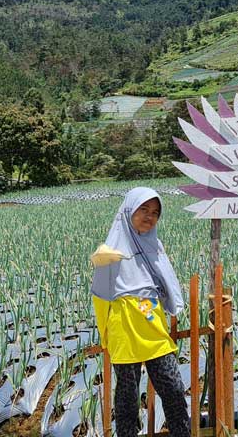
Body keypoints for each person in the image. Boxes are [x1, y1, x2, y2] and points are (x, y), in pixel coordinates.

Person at [92, 187, 191, 437]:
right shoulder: (108, 253)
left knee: (173, 389)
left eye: (155, 212)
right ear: (128, 211)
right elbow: (100, 297)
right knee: (127, 397)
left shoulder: (155, 247)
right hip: (124, 329)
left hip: (153, 327)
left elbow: (166, 284)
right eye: (144, 209)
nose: (150, 216)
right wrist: (105, 335)